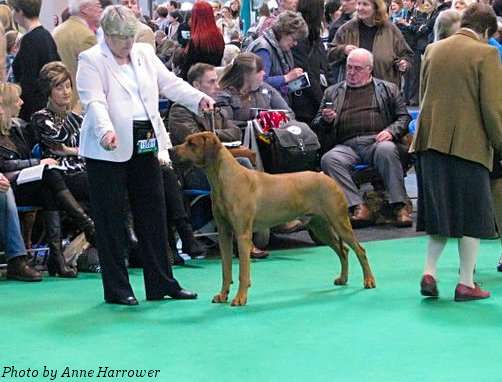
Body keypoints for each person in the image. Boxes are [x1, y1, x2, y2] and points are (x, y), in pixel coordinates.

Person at [76, 5, 214, 305]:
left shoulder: (144, 54)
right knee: (111, 221)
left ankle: (162, 283)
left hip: (146, 141)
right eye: (122, 38)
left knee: (154, 214)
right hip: (107, 148)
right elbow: (94, 101)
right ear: (107, 34)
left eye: (131, 36)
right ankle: (118, 289)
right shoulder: (91, 60)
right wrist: (105, 132)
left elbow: (170, 84)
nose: (128, 43)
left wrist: (198, 98)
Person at [411, 3, 502, 301]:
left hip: (429, 144)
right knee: (472, 215)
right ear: (488, 31)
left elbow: (423, 98)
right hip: (468, 146)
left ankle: (429, 271)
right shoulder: (486, 53)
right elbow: (492, 108)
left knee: (439, 213)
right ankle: (465, 283)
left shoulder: (433, 50)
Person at [0, 82, 95, 278]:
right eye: (17, 99)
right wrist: (37, 161)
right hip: (10, 181)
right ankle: (85, 225)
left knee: (49, 182)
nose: (22, 102)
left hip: (25, 179)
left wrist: (41, 162)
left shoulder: (19, 128)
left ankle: (57, 256)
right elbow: (5, 166)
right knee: (47, 174)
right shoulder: (38, 119)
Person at [312, 49, 412, 228]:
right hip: (346, 145)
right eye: (349, 67)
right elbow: (317, 124)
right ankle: (357, 205)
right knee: (330, 159)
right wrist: (326, 121)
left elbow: (404, 118)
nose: (351, 72)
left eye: (357, 69)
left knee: (387, 149)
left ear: (369, 69)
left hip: (377, 141)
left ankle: (400, 206)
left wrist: (391, 131)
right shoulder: (332, 92)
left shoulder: (388, 89)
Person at [329, 0, 412, 87]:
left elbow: (406, 54)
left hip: (384, 89)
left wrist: (403, 63)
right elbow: (330, 52)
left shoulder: (390, 30)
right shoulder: (347, 29)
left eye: (365, 4)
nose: (359, 8)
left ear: (376, 8)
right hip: (353, 90)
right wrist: (343, 49)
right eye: (358, 3)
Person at [10, 0, 60, 121]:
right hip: (48, 108)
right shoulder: (47, 36)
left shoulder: (29, 40)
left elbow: (28, 81)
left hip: (34, 112)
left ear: (20, 12)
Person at [216, 52, 294, 127]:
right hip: (241, 137)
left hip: (272, 135)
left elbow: (289, 113)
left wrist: (274, 119)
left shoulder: (265, 88)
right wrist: (255, 125)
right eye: (259, 71)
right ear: (247, 75)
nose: (264, 73)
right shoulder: (224, 95)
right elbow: (224, 123)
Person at [52, 0, 102, 112]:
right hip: (79, 105)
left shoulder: (58, 30)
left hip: (59, 102)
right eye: (97, 6)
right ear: (84, 9)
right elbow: (94, 77)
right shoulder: (86, 36)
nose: (101, 10)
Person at [247, 10, 308, 99]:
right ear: (283, 32)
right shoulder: (263, 49)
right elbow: (259, 81)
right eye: (293, 39)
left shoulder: (280, 47)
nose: (295, 43)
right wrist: (287, 77)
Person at [292, 0, 329, 124]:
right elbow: (305, 73)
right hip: (304, 104)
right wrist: (322, 102)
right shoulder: (300, 37)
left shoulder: (313, 35)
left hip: (314, 99)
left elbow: (325, 66)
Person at [179, 1, 225, 80]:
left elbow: (186, 70)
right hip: (213, 79)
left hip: (197, 83)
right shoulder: (219, 37)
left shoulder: (196, 41)